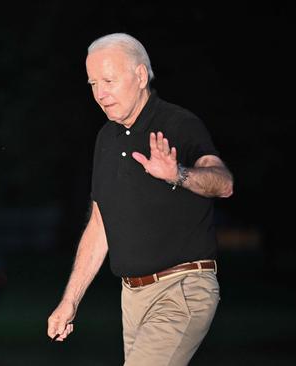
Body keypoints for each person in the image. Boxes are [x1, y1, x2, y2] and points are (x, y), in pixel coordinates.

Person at [46, 33, 234, 365]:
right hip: (132, 297)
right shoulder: (106, 138)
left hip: (182, 289)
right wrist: (69, 302)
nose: (100, 94)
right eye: (92, 83)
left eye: (108, 80)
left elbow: (223, 183)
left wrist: (178, 174)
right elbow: (100, 225)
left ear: (140, 76)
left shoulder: (178, 124)